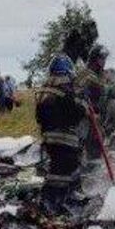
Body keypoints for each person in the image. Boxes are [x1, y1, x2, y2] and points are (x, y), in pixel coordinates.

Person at [36, 54, 86, 213]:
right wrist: (82, 106)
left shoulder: (45, 89)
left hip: (49, 137)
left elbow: (39, 116)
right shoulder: (65, 89)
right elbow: (74, 114)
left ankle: (54, 199)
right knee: (66, 170)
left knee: (57, 168)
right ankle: (57, 200)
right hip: (65, 138)